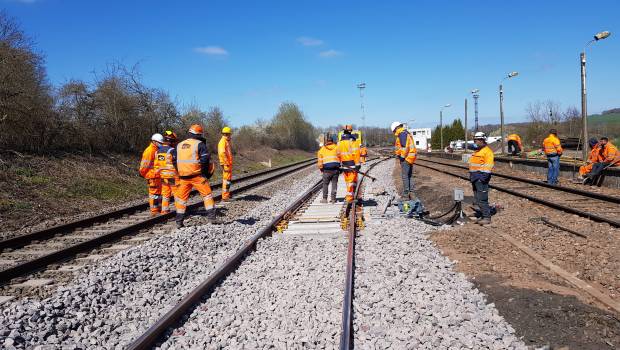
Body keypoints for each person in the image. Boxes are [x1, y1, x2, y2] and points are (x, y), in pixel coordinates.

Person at [173, 124, 217, 228]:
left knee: (181, 199)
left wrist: (180, 171)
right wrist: (204, 173)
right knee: (207, 195)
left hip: (183, 177)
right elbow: (205, 160)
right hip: (197, 176)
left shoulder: (179, 145)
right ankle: (212, 218)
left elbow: (174, 160)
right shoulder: (200, 144)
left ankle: (179, 221)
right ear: (199, 134)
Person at [469, 132, 494, 225]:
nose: (475, 142)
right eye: (474, 140)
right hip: (474, 178)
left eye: (476, 140)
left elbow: (488, 168)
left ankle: (487, 217)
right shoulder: (477, 151)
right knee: (477, 199)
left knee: (482, 199)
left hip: (481, 178)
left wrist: (482, 179)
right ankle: (482, 214)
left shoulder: (488, 152)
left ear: (482, 140)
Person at [390, 121, 418, 199]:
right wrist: (397, 153)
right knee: (409, 175)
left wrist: (402, 156)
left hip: (406, 158)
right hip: (410, 157)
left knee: (405, 176)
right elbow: (402, 147)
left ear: (396, 128)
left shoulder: (402, 134)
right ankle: (412, 193)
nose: (394, 132)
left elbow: (404, 147)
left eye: (394, 131)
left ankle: (406, 194)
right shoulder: (406, 133)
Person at [154, 131, 178, 214]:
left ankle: (164, 210)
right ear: (171, 141)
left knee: (165, 194)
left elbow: (156, 165)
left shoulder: (157, 152)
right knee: (177, 194)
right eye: (174, 141)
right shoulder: (172, 151)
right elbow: (176, 164)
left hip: (163, 176)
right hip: (172, 176)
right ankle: (180, 210)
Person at [139, 133, 164, 215]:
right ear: (154, 141)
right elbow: (145, 165)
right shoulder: (150, 151)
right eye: (160, 143)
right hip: (152, 176)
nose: (161, 144)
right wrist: (142, 173)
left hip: (157, 176)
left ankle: (159, 209)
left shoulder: (157, 150)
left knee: (159, 194)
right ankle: (154, 211)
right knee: (154, 194)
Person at [336, 125, 361, 204]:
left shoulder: (339, 143)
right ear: (350, 131)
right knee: (351, 181)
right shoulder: (353, 141)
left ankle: (350, 195)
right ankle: (349, 198)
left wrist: (339, 164)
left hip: (344, 165)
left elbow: (338, 154)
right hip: (352, 164)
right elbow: (356, 153)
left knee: (348, 182)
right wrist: (358, 164)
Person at [317, 133, 340, 203]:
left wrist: (321, 168)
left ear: (326, 142)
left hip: (326, 170)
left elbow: (320, 161)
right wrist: (340, 167)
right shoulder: (337, 148)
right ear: (332, 141)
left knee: (325, 184)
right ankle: (333, 199)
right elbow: (340, 157)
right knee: (334, 184)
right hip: (335, 169)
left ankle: (324, 199)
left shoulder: (322, 150)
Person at [218, 126, 233, 201]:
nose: (230, 136)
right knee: (226, 180)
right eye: (230, 134)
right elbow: (222, 153)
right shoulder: (223, 141)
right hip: (226, 164)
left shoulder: (226, 141)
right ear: (227, 134)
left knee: (228, 180)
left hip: (228, 164)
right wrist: (226, 163)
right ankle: (225, 196)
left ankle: (227, 194)